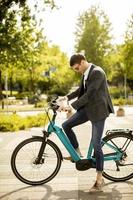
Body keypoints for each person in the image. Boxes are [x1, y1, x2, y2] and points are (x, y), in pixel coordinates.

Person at [58, 53, 114, 192]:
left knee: (96, 144)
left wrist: (71, 106)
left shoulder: (97, 72)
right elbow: (80, 91)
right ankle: (76, 151)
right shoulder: (85, 73)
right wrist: (66, 97)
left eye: (77, 68)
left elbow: (89, 94)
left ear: (82, 62)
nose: (77, 71)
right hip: (88, 109)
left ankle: (99, 179)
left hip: (99, 111)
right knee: (66, 125)